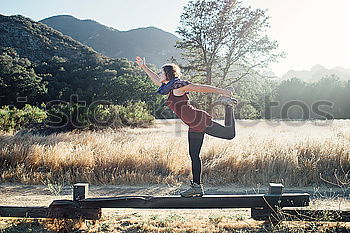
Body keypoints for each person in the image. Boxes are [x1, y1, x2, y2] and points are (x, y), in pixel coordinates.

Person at [135, 56, 237, 197]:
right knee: (194, 155)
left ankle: (228, 105)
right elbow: (154, 78)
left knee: (229, 134)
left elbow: (201, 88)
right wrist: (143, 66)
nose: (159, 75)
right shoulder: (167, 87)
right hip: (193, 125)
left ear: (168, 74)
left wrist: (223, 92)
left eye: (161, 72)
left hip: (198, 120)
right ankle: (196, 187)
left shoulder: (178, 86)